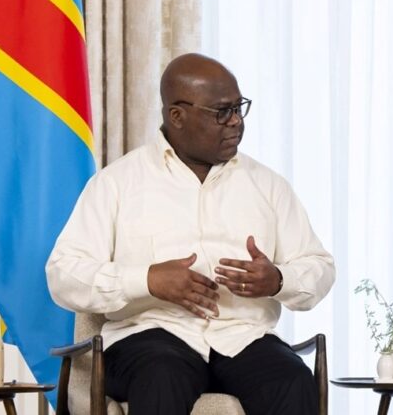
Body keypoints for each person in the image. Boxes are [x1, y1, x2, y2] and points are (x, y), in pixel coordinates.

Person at [46, 53, 335, 415]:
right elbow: (63, 274)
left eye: (239, 108)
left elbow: (319, 266)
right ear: (177, 116)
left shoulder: (268, 186)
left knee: (292, 380)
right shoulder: (117, 183)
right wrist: (147, 280)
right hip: (149, 338)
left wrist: (278, 279)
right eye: (222, 112)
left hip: (243, 337)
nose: (236, 122)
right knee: (162, 376)